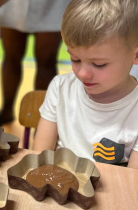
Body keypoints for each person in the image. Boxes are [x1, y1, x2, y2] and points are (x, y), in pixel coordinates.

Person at [33, 0, 138, 169]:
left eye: (99, 64)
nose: (82, 74)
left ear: (136, 55)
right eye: (75, 59)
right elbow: (39, 159)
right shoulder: (61, 89)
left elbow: (132, 182)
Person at [0, 0, 71, 126]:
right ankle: (6, 111)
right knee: (11, 57)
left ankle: (44, 120)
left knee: (47, 62)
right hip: (13, 4)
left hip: (52, 4)